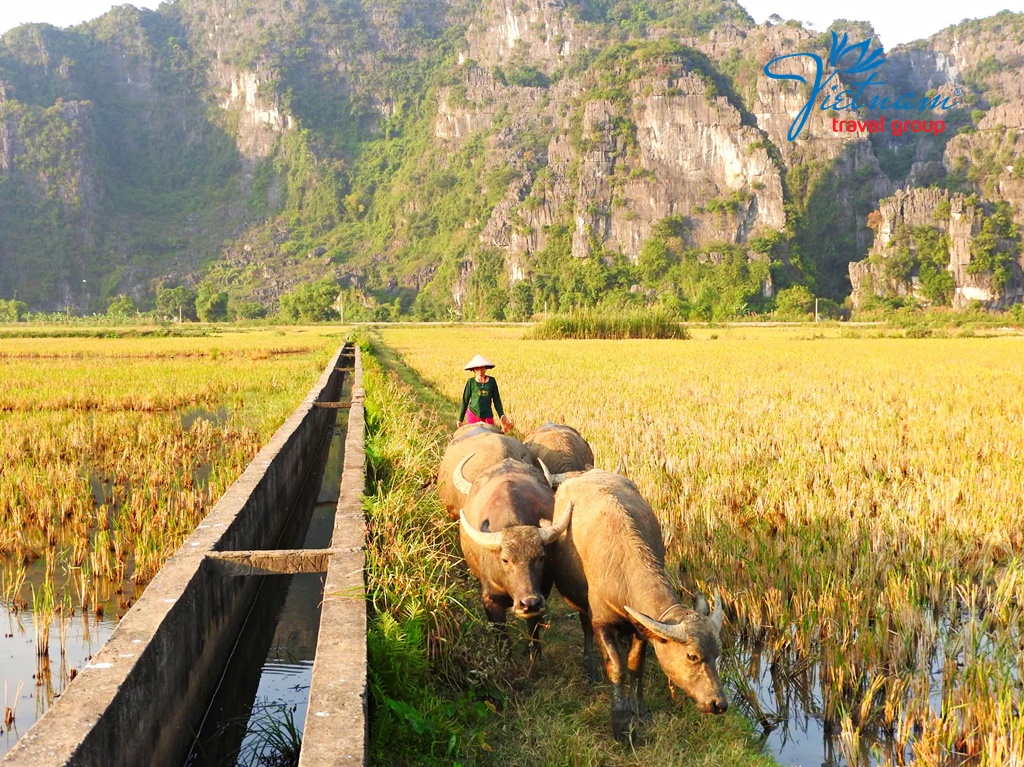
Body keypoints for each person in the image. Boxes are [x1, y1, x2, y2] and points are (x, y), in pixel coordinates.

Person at [456, 354, 513, 433]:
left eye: (482, 368)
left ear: (485, 368)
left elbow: (496, 400)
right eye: (477, 369)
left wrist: (501, 415)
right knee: (473, 436)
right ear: (474, 370)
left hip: (487, 414)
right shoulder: (471, 382)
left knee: (492, 436)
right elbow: (465, 401)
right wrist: (460, 419)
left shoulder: (492, 381)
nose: (480, 371)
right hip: (474, 414)